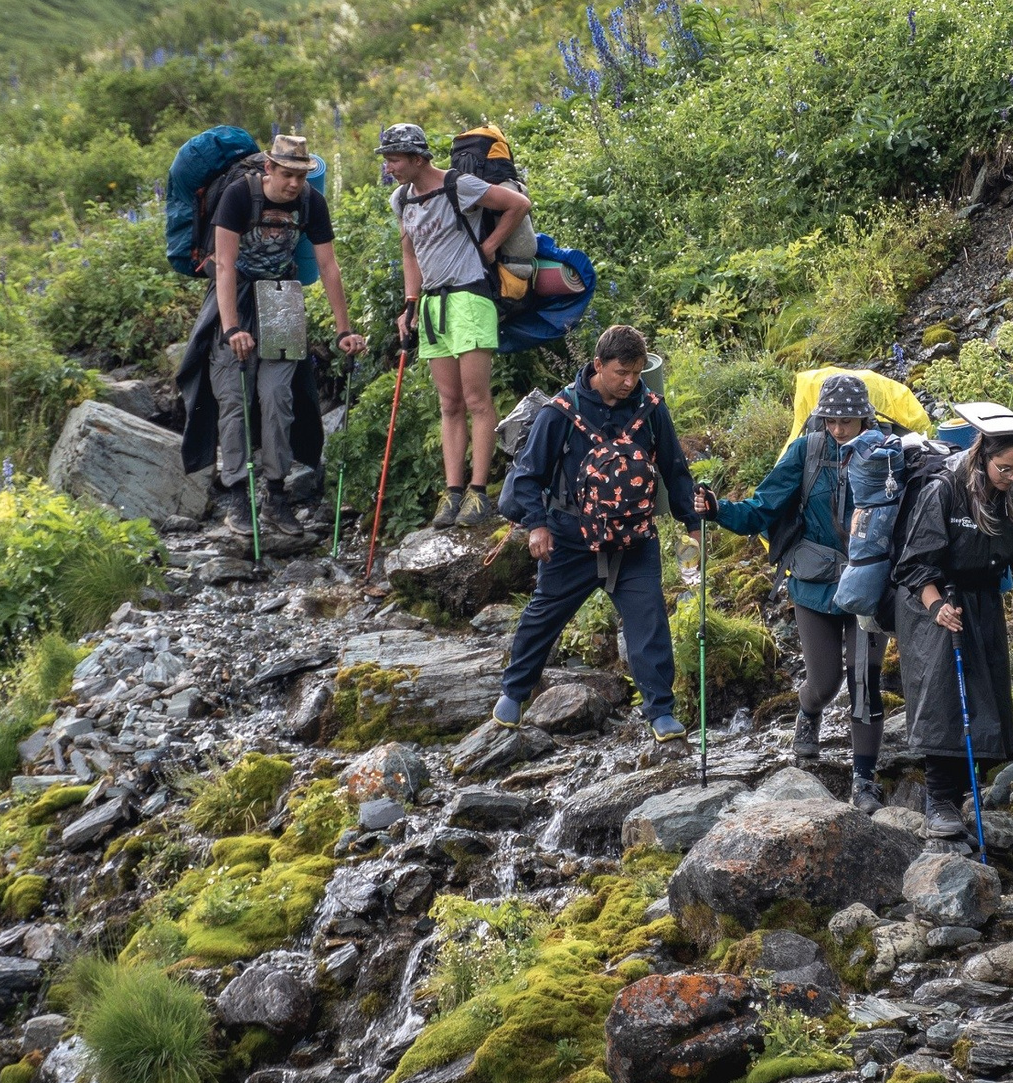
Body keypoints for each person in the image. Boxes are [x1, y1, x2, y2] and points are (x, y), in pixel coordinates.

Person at [493, 323, 710, 743]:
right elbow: (527, 476)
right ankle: (514, 693)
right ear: (598, 365)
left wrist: (693, 525)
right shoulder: (559, 412)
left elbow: (675, 470)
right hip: (570, 538)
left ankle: (661, 712)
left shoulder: (651, 409)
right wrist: (537, 525)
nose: (630, 382)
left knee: (649, 621)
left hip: (634, 540)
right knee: (543, 616)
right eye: (621, 373)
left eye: (637, 373)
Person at [706, 372, 890, 809]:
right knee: (825, 682)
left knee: (864, 680)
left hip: (869, 585)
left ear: (865, 418)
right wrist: (717, 510)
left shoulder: (888, 454)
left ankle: (864, 781)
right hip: (813, 586)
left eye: (847, 421)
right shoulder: (805, 452)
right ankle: (809, 713)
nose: (838, 429)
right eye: (831, 420)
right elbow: (763, 507)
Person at [891, 411, 1013, 840]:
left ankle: (958, 801)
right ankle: (939, 804)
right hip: (933, 599)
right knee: (944, 700)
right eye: (1004, 468)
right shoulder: (944, 490)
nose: (1012, 477)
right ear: (983, 457)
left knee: (984, 697)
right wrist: (937, 606)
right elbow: (914, 563)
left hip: (982, 602)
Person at [378, 122, 534, 528]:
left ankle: (478, 493)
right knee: (449, 403)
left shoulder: (457, 185)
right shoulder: (402, 199)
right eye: (387, 160)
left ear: (418, 158)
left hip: (470, 298)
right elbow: (410, 253)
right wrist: (410, 304)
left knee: (476, 399)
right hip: (433, 306)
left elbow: (518, 204)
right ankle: (452, 493)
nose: (389, 167)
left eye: (394, 160)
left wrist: (489, 246)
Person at [207, 134, 365, 533]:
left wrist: (343, 329)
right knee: (235, 398)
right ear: (269, 168)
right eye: (286, 174)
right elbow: (224, 265)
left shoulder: (312, 201)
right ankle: (238, 496)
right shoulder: (238, 197)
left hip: (283, 298)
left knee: (278, 396)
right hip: (237, 296)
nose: (294, 183)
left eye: (301, 175)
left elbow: (329, 266)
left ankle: (276, 497)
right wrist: (232, 328)